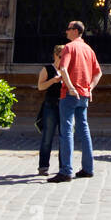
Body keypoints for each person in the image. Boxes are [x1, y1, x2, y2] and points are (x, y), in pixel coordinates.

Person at [49, 20, 102, 183]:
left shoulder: (69, 47)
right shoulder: (88, 49)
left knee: (66, 132)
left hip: (70, 95)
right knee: (84, 130)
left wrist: (70, 87)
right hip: (84, 95)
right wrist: (90, 88)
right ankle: (88, 168)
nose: (66, 31)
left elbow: (63, 69)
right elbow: (98, 73)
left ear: (75, 31)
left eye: (68, 29)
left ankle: (66, 171)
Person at [35, 45, 66, 176]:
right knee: (47, 136)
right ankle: (43, 166)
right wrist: (53, 81)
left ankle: (63, 166)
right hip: (51, 105)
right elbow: (40, 86)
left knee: (64, 137)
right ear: (55, 56)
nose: (62, 59)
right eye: (60, 57)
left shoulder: (66, 70)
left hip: (64, 106)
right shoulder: (47, 69)